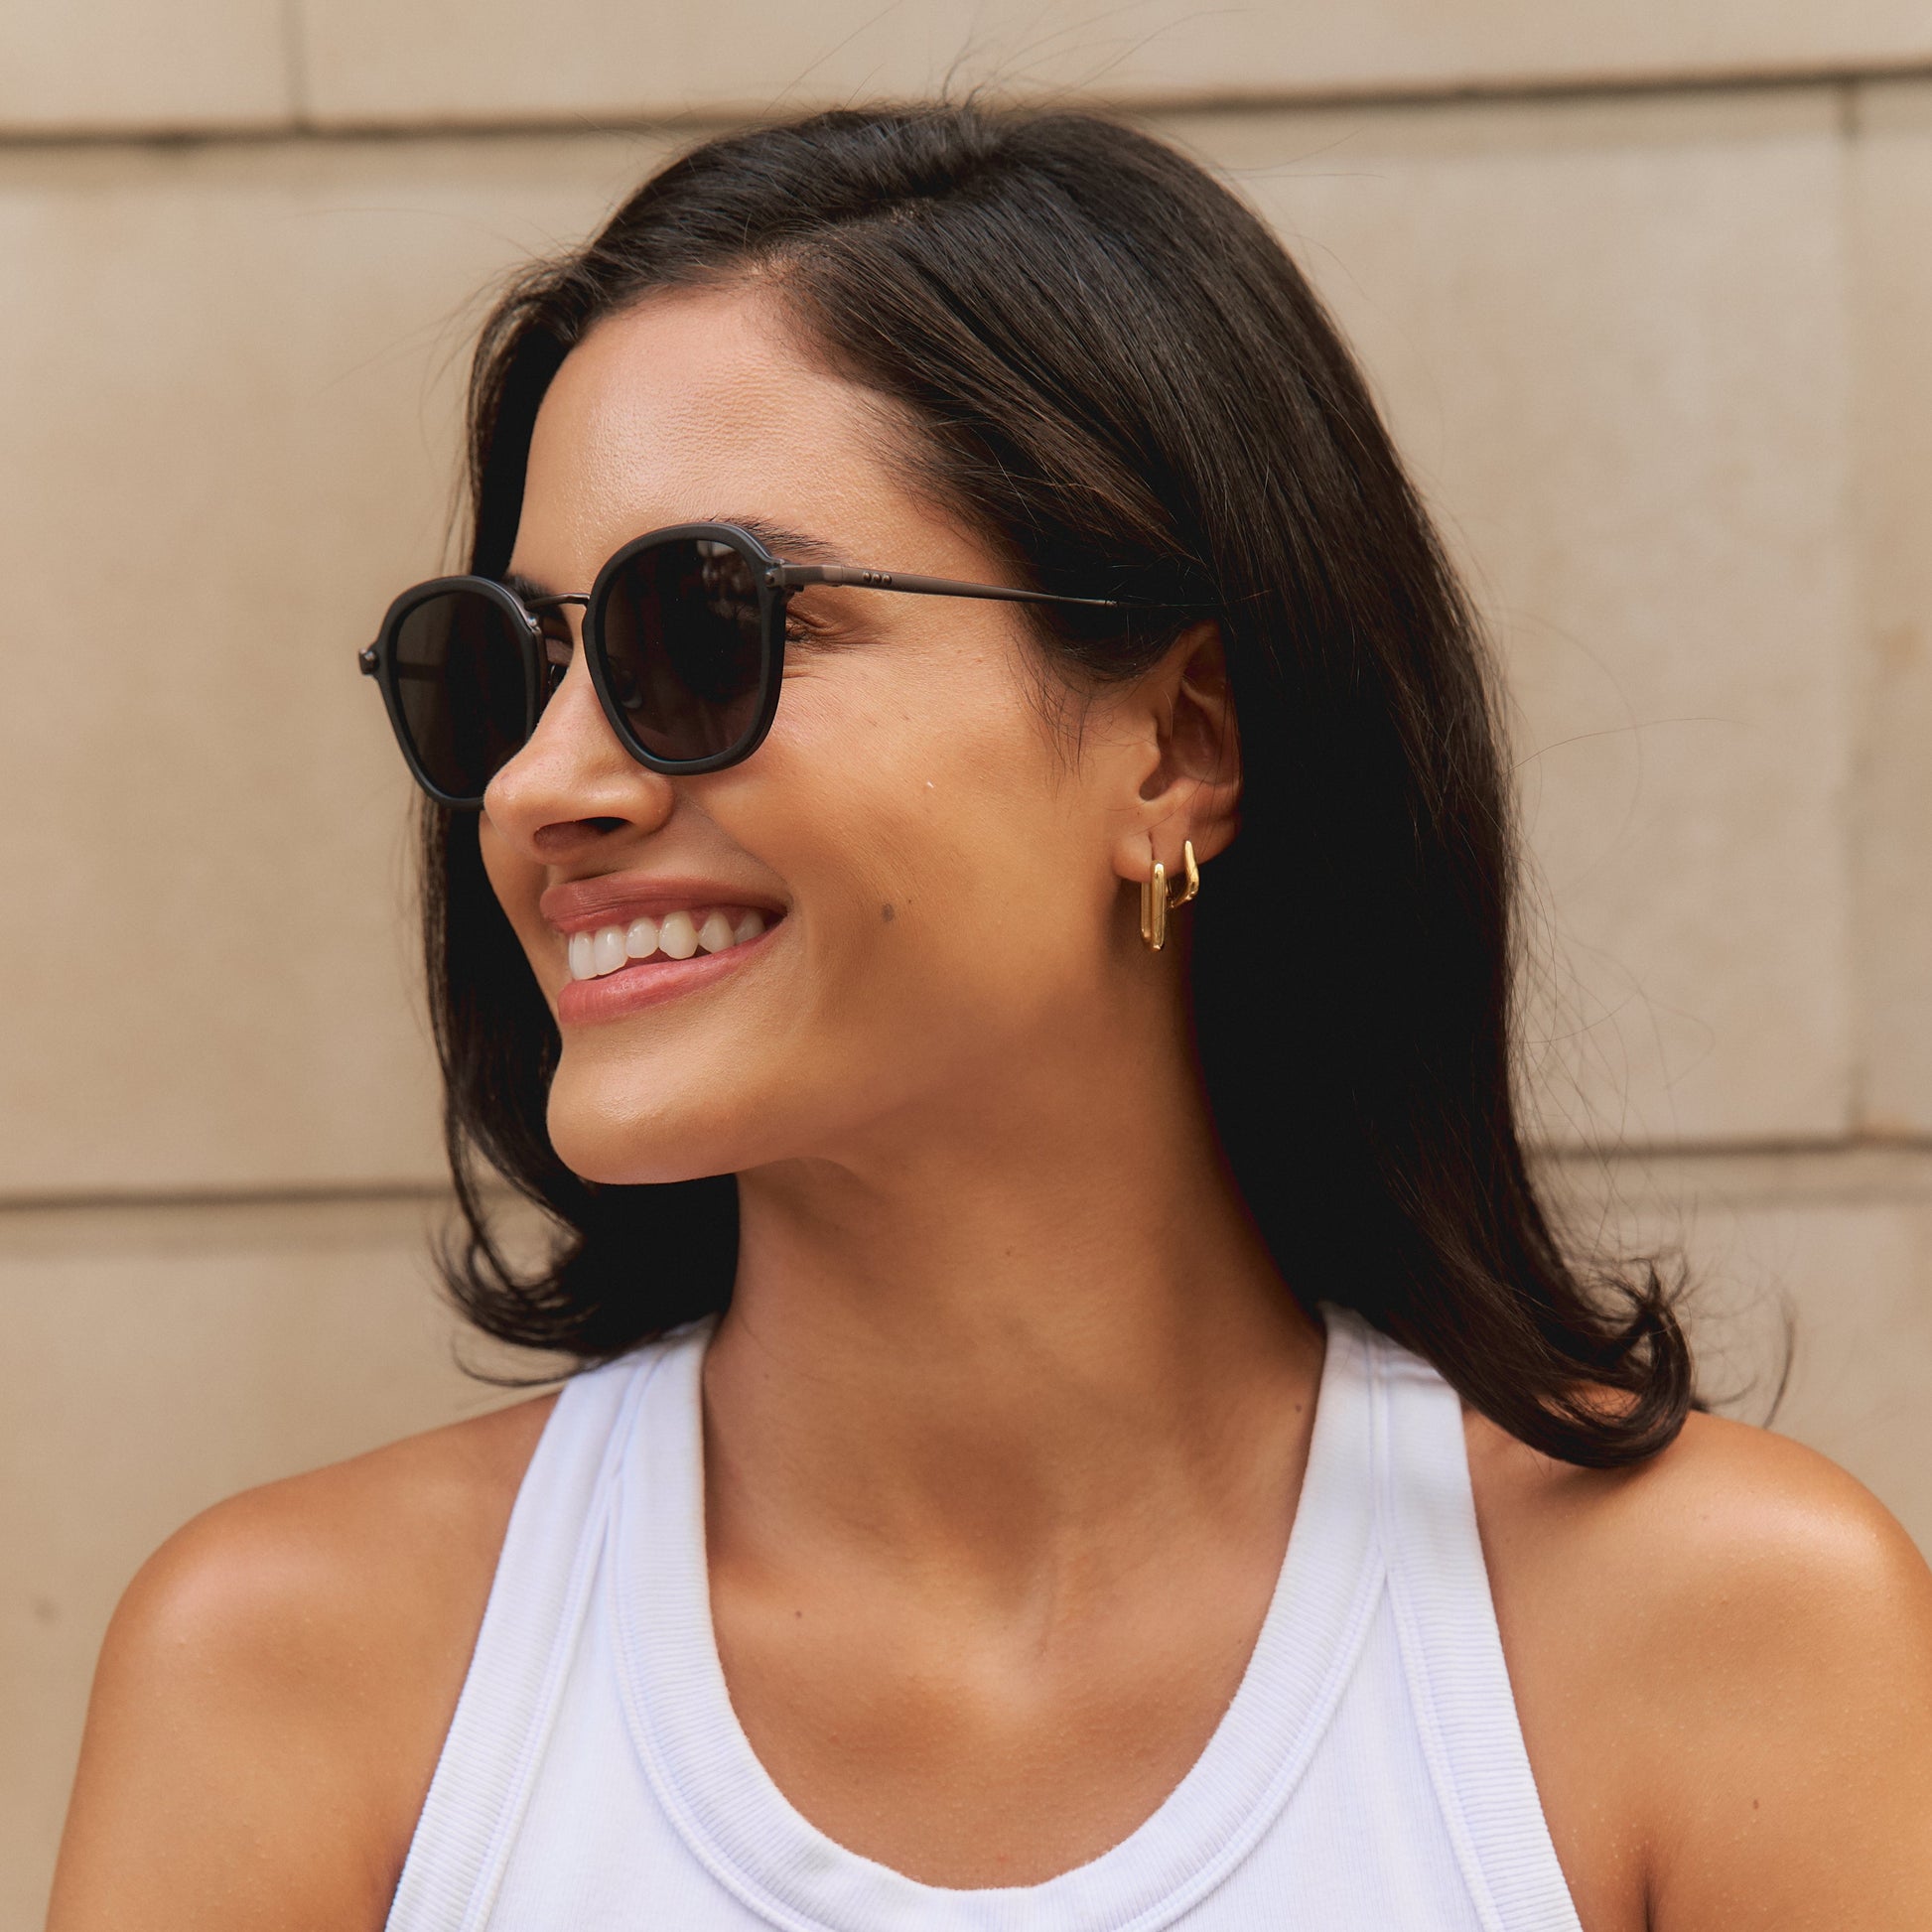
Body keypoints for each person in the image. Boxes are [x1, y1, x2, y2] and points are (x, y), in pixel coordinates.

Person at [48, 102, 1932, 1932]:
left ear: (1176, 742)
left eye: (704, 629)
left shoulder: (1719, 1645)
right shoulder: (295, 1679)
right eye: (503, 668)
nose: (542, 785)